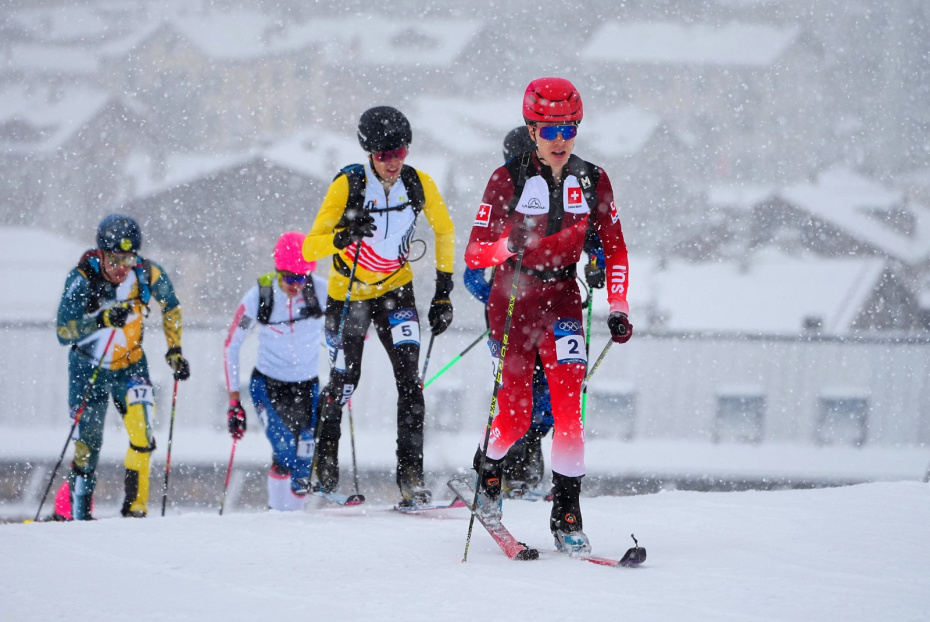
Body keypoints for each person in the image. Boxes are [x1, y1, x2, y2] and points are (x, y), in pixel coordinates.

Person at [464, 78, 633, 554]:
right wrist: (507, 245)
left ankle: (567, 514)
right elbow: (475, 254)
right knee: (515, 419)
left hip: (561, 297)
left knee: (568, 412)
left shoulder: (593, 178)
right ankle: (489, 477)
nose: (561, 140)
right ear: (532, 130)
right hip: (513, 298)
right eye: (550, 130)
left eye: (570, 128)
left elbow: (615, 250)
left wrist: (618, 306)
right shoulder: (507, 180)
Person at [302, 106, 456, 507]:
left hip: (396, 292)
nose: (393, 162)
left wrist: (443, 291)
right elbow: (309, 247)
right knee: (343, 383)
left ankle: (411, 477)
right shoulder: (348, 185)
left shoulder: (418, 184)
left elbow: (445, 229)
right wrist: (341, 235)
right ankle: (325, 466)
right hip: (349, 293)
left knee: (410, 384)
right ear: (369, 152)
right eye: (384, 155)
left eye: (400, 152)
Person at [463, 125, 607, 499]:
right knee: (514, 401)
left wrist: (597, 266)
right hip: (510, 316)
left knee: (552, 402)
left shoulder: (567, 192)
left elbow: (595, 240)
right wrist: (502, 295)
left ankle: (528, 476)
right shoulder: (507, 197)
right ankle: (492, 476)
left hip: (556, 313)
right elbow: (473, 270)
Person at [56, 214, 190, 519]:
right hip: (88, 369)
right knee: (87, 449)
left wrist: (175, 351)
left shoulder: (146, 273)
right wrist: (101, 319)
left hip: (131, 367)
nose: (121, 268)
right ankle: (78, 515)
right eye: (115, 259)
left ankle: (135, 510)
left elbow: (171, 305)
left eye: (128, 258)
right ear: (101, 254)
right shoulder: (81, 279)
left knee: (143, 435)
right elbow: (63, 331)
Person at [223, 232, 327, 511]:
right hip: (268, 386)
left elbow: (349, 327)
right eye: (290, 278)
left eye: (302, 277)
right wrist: (234, 401)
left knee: (305, 458)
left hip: (307, 386)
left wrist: (354, 338)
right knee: (284, 451)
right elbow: (232, 346)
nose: (296, 284)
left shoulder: (321, 291)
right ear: (278, 271)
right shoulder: (260, 295)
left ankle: (293, 520)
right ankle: (276, 514)